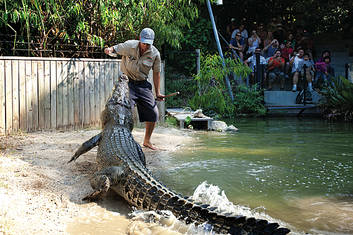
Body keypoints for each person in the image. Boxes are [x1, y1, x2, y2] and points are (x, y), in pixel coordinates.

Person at [104, 28, 165, 150]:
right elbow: (116, 48)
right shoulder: (130, 45)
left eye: (148, 44)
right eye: (144, 43)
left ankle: (147, 141)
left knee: (153, 113)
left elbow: (157, 73)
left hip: (142, 84)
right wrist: (109, 49)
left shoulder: (155, 54)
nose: (146, 46)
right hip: (126, 83)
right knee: (124, 113)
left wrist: (157, 92)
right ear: (139, 39)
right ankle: (123, 141)